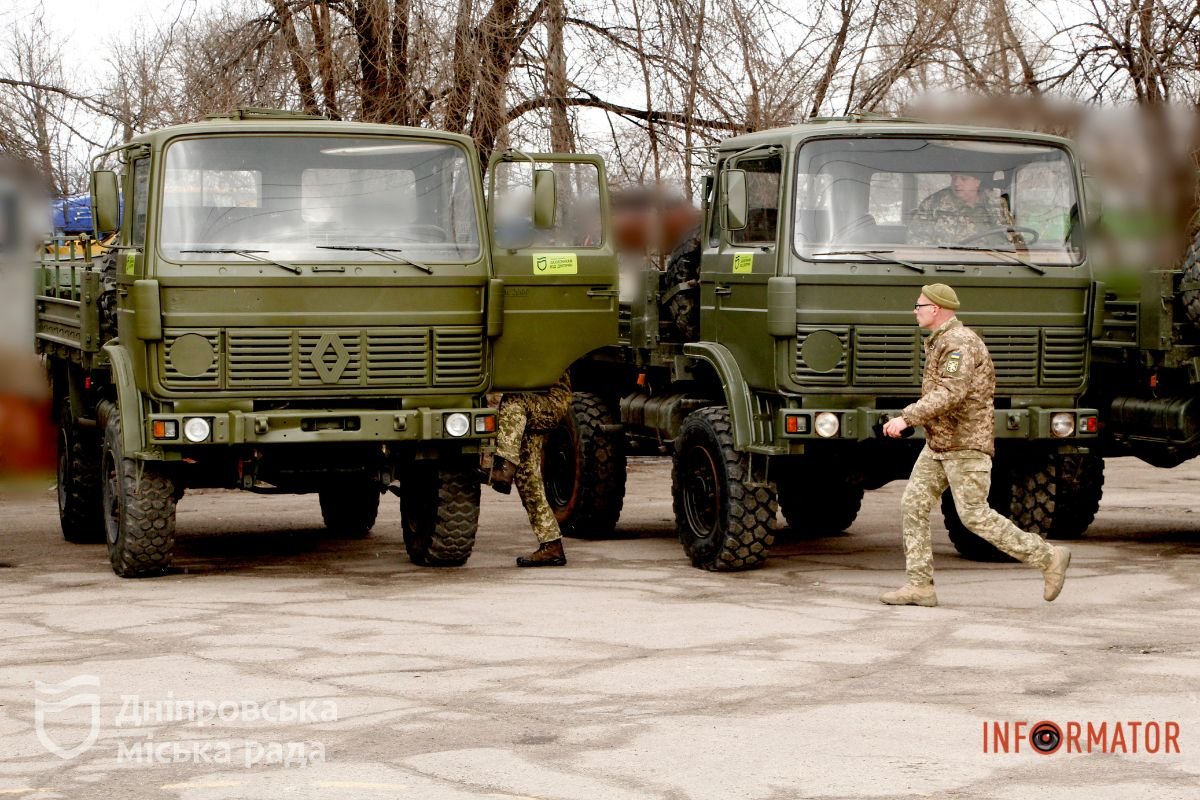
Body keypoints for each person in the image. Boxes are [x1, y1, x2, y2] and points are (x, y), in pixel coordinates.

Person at [880, 283, 1071, 607]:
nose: (915, 310)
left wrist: (907, 417)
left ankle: (1048, 556)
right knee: (913, 504)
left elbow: (951, 393)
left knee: (974, 516)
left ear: (936, 309)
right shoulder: (941, 341)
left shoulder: (958, 343)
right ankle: (919, 585)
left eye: (919, 305)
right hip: (941, 443)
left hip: (965, 445)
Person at [489, 372, 573, 567]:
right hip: (533, 402)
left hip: (550, 401)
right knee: (528, 477)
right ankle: (551, 545)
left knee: (513, 403)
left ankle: (505, 467)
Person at [907, 172, 1006, 245]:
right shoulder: (933, 204)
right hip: (946, 269)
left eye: (964, 178)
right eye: (954, 178)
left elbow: (1012, 241)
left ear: (977, 182)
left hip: (993, 267)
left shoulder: (996, 204)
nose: (957, 183)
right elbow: (916, 244)